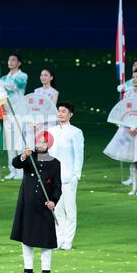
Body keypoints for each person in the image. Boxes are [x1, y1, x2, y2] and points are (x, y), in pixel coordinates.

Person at [10, 131, 62, 273]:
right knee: (26, 239)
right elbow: (16, 163)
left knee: (44, 239)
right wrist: (24, 155)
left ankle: (46, 270)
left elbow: (57, 187)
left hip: (44, 207)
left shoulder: (55, 163)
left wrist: (53, 201)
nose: (40, 145)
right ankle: (28, 270)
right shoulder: (29, 157)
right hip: (27, 205)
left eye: (43, 142)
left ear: (49, 144)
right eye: (38, 141)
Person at [48, 102, 84, 250]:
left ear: (70, 115)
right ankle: (58, 237)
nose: (61, 113)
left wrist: (76, 174)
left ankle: (68, 239)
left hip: (69, 176)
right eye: (59, 111)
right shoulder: (52, 131)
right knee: (56, 209)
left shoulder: (75, 132)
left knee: (69, 208)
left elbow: (78, 155)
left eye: (64, 111)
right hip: (53, 177)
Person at [1, 53, 28, 180]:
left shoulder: (22, 76)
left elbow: (15, 86)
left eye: (13, 60)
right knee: (10, 145)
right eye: (9, 60)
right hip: (7, 114)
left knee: (19, 143)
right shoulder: (4, 78)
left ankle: (21, 171)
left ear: (19, 63)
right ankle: (13, 170)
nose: (10, 62)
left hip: (19, 113)